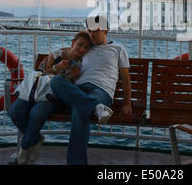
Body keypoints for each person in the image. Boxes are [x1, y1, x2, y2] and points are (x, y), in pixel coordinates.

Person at [50, 15, 132, 165]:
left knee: (79, 110)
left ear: (105, 30)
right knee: (56, 81)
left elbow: (125, 77)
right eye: (90, 31)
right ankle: (95, 107)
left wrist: (128, 103)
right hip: (80, 89)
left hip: (101, 91)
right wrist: (52, 61)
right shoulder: (86, 49)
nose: (92, 34)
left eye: (96, 31)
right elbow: (66, 52)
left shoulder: (118, 49)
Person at [10, 31, 92, 164]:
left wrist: (71, 74)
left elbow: (67, 86)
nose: (82, 49)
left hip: (54, 97)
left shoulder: (80, 65)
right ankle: (35, 139)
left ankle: (24, 147)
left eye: (86, 47)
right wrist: (56, 67)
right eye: (80, 44)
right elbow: (43, 73)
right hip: (36, 90)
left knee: (37, 113)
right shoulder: (56, 54)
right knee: (15, 111)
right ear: (73, 43)